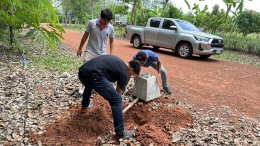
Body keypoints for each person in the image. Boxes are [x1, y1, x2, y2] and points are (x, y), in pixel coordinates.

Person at [78, 55, 141, 140]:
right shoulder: (125, 72)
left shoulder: (119, 62)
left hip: (82, 72)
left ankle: (84, 107)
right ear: (132, 69)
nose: (131, 76)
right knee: (117, 100)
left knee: (89, 84)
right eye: (133, 75)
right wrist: (117, 106)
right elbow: (118, 94)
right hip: (94, 75)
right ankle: (120, 133)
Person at [77, 8, 115, 94]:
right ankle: (83, 85)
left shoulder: (111, 28)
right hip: (90, 51)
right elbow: (85, 36)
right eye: (104, 20)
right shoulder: (91, 23)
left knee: (99, 72)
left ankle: (94, 86)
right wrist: (80, 48)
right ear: (100, 17)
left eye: (108, 21)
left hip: (102, 54)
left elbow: (112, 41)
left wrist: (111, 54)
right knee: (86, 69)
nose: (106, 22)